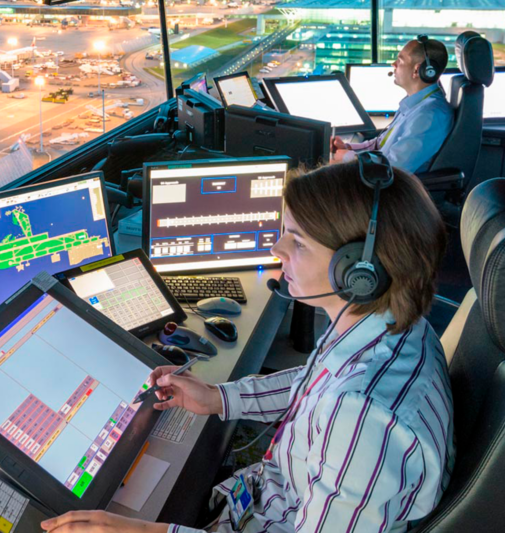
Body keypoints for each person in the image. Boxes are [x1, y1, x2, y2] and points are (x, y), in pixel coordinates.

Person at [41, 159, 453, 533]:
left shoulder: (361, 417)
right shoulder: (387, 324)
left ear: (358, 273)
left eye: (298, 241)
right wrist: (220, 397)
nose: (277, 250)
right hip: (271, 494)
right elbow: (316, 381)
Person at [331, 37, 452, 174]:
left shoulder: (430, 115)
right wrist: (348, 147)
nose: (393, 64)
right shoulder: (415, 104)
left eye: (400, 60)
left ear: (418, 70)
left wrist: (347, 157)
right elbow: (380, 144)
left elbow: (394, 167)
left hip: (391, 190)